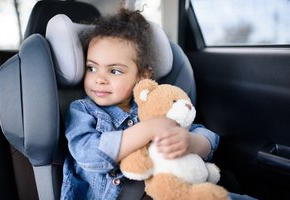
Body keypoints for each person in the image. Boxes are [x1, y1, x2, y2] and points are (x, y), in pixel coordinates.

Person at [60, 7, 256, 200]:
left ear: (143, 75)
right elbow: (89, 154)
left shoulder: (152, 101)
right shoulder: (83, 110)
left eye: (115, 71)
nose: (99, 79)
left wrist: (190, 142)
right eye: (92, 68)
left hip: (175, 190)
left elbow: (205, 135)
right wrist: (148, 129)